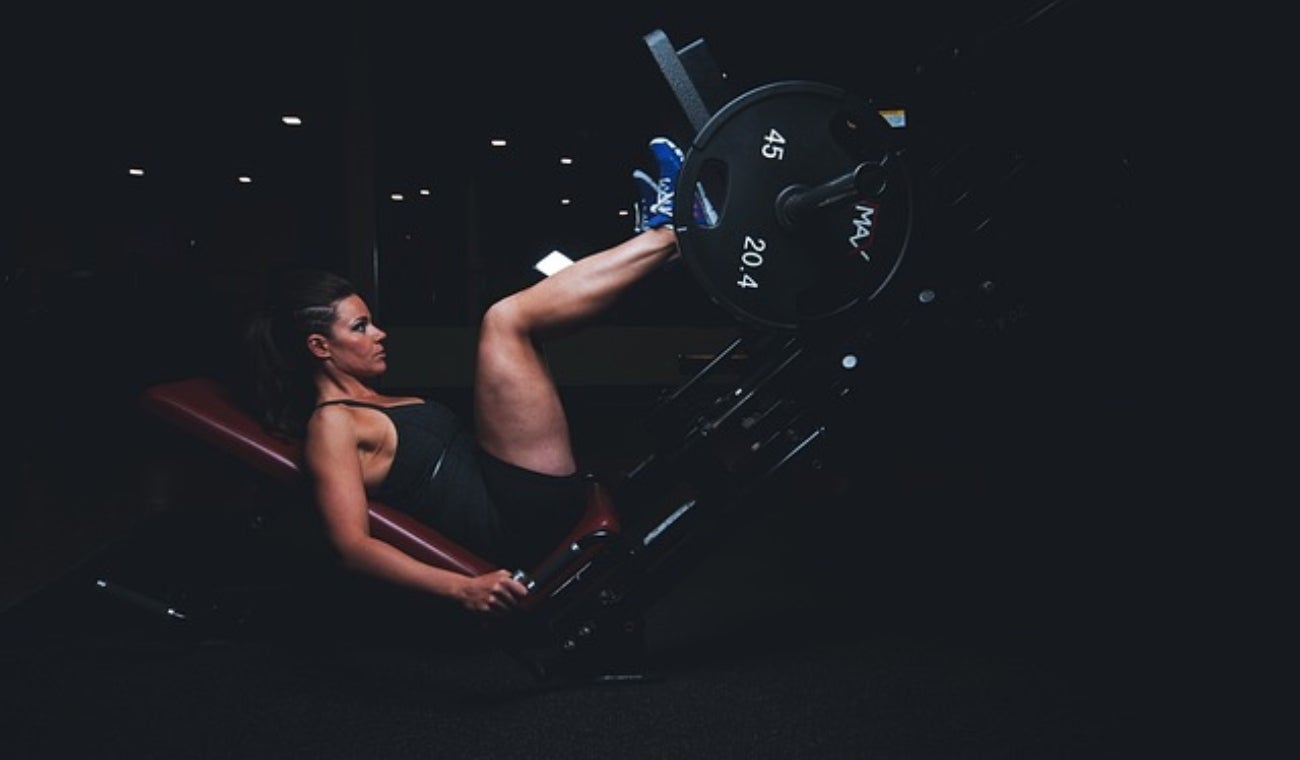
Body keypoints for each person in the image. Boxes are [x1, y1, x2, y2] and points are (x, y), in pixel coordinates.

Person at [244, 137, 709, 618]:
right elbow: (351, 546)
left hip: (510, 490)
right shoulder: (332, 426)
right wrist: (460, 588)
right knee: (505, 322)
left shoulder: (369, 401)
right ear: (320, 348)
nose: (380, 334)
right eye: (360, 327)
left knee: (525, 329)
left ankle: (663, 247)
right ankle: (668, 233)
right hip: (514, 520)